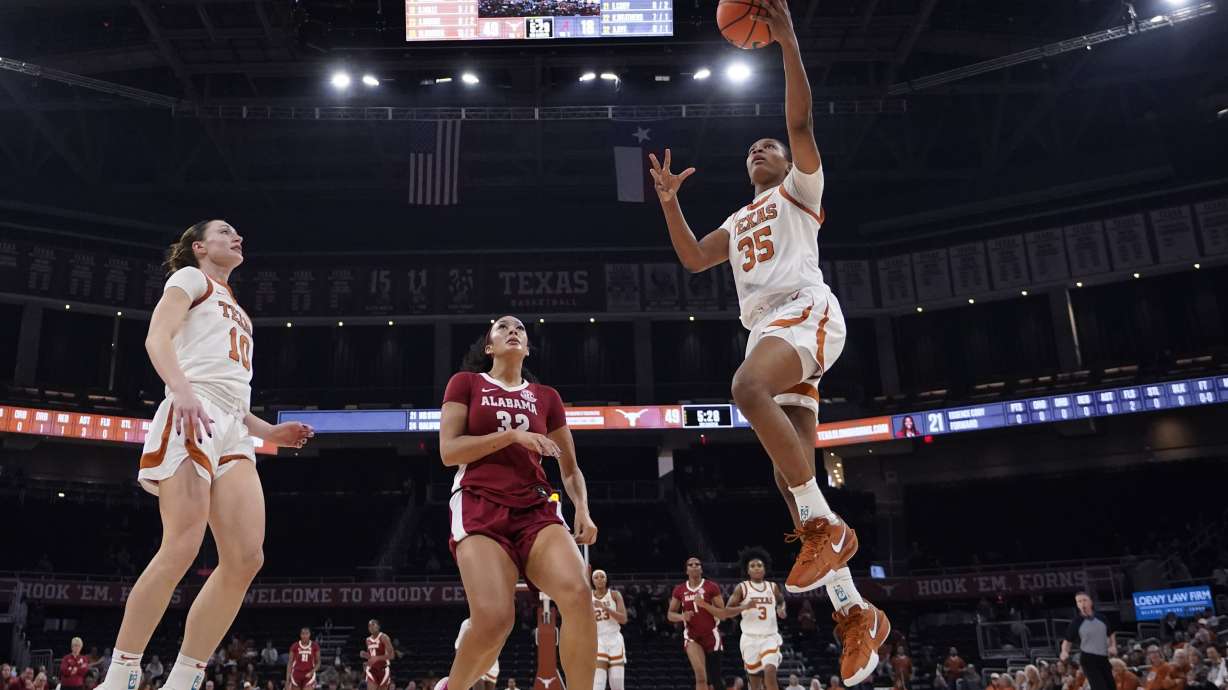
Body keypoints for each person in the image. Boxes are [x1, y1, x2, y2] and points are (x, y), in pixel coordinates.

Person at [648, 0, 887, 684]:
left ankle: (832, 534)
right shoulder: (738, 215)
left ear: (787, 162)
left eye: (770, 147)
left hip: (805, 314)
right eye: (752, 149)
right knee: (793, 487)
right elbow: (695, 259)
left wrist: (786, 42)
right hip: (771, 332)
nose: (760, 149)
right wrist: (669, 202)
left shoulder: (800, 190)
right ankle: (855, 615)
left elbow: (800, 120)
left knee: (744, 389)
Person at [92, 220, 314, 690]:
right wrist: (182, 390)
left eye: (239, 235)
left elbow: (234, 394)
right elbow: (157, 338)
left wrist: (269, 429)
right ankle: (120, 675)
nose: (238, 238)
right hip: (192, 408)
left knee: (246, 557)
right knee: (182, 545)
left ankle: (185, 678)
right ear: (199, 246)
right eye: (225, 232)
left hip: (232, 424)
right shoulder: (191, 279)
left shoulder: (239, 309)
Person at [434, 316, 598, 690]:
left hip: (535, 508)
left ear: (526, 347)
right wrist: (510, 437)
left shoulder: (546, 397)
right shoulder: (467, 383)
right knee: (494, 620)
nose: (513, 331)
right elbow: (448, 451)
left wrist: (583, 510)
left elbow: (570, 470)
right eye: (502, 327)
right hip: (480, 501)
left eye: (520, 329)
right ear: (489, 347)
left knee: (578, 594)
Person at [669, 557, 739, 690]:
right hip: (692, 636)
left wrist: (704, 605)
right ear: (686, 570)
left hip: (711, 635)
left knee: (716, 679)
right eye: (691, 564)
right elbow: (670, 615)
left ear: (701, 568)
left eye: (697, 564)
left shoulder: (711, 586)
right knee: (700, 677)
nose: (694, 566)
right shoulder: (680, 589)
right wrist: (682, 616)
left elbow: (722, 614)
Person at [723, 549, 785, 690]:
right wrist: (744, 606)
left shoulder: (772, 587)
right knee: (755, 684)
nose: (756, 568)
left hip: (769, 637)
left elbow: (781, 601)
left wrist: (781, 608)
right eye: (753, 566)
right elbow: (727, 612)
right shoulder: (742, 588)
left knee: (770, 672)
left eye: (759, 565)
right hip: (749, 639)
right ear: (748, 570)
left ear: (765, 569)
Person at [1061, 593, 1117, 690]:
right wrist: (1064, 652)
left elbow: (1111, 633)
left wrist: (1113, 646)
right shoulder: (1076, 622)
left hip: (1103, 657)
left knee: (1111, 686)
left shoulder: (1101, 618)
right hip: (1088, 659)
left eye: (1084, 600)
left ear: (1090, 602)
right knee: (1100, 687)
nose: (1082, 603)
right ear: (1077, 605)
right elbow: (1067, 641)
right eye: (1079, 601)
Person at [591, 569, 628, 690]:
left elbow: (623, 619)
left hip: (615, 639)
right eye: (596, 577)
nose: (600, 579)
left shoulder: (614, 595)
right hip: (598, 640)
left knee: (617, 685)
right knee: (598, 684)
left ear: (606, 579)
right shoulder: (588, 598)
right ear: (592, 581)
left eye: (602, 576)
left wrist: (605, 608)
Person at [454, 619, 499, 690]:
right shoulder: (466, 623)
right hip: (475, 661)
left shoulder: (492, 622)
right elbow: (458, 646)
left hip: (491, 661)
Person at [362, 621, 394, 690]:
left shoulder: (384, 637)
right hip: (372, 669)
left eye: (373, 625)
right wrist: (366, 656)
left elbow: (392, 655)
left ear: (379, 627)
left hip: (383, 669)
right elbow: (372, 657)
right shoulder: (367, 640)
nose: (371, 627)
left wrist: (377, 658)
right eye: (369, 626)